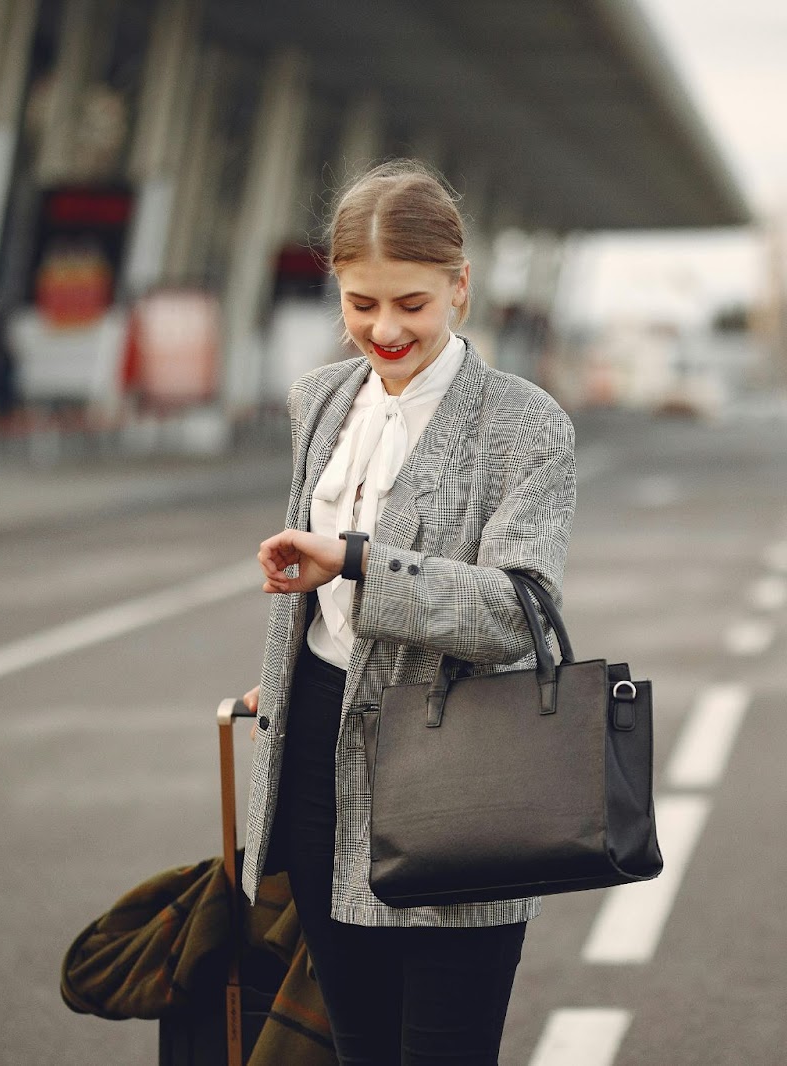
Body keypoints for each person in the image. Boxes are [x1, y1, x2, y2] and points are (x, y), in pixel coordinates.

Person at [242, 159, 577, 1066]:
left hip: (458, 771)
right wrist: (280, 677)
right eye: (361, 304)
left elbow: (518, 612)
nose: (384, 330)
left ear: (461, 288)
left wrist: (354, 560)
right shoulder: (319, 401)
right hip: (317, 754)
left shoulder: (524, 425)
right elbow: (322, 611)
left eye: (412, 304)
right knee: (357, 1048)